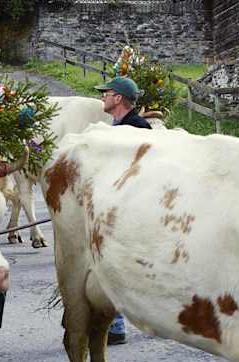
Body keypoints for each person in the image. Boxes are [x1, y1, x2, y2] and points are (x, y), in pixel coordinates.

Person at [93, 76, 151, 345]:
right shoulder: (118, 126)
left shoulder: (137, 128)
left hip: (129, 207)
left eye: (106, 93)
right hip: (116, 204)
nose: (103, 97)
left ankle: (116, 326)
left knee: (114, 265)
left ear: (118, 98)